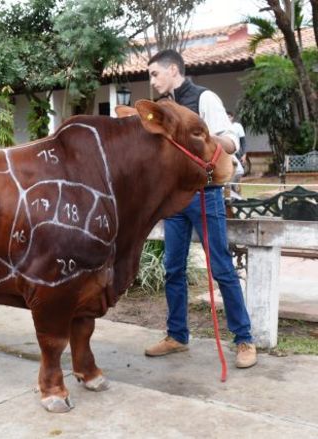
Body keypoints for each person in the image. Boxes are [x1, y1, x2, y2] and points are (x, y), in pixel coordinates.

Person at [145, 49, 257, 368]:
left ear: (173, 70)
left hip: (205, 194)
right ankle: (177, 336)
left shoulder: (205, 98)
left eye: (155, 74)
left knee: (221, 267)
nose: (152, 81)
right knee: (173, 269)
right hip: (174, 198)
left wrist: (199, 137)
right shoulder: (163, 109)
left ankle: (244, 339)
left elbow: (232, 144)